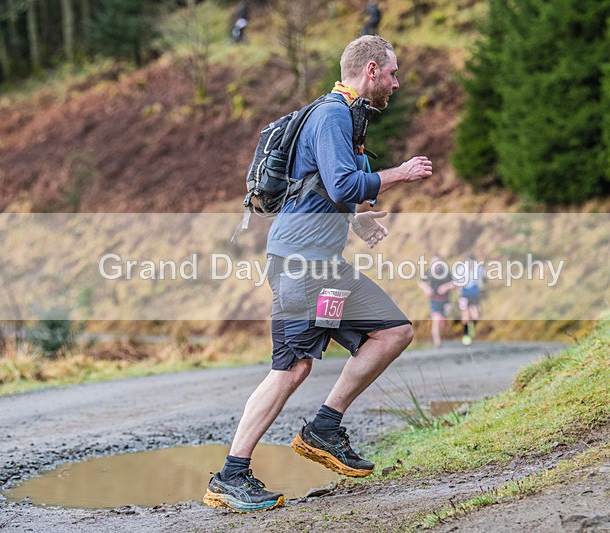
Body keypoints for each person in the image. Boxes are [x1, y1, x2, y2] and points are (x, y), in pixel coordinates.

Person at [204, 35, 433, 514]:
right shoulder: (332, 115)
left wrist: (356, 218)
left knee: (393, 331)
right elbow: (343, 181)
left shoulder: (347, 117)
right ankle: (230, 476)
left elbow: (320, 188)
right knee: (290, 367)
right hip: (300, 265)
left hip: (324, 266)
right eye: (391, 73)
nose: (396, 81)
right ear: (370, 70)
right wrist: (399, 173)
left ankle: (324, 429)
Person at [417, 255, 453, 349]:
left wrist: (446, 286)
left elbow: (455, 283)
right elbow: (420, 282)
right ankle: (437, 343)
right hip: (435, 299)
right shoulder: (429, 272)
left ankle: (439, 337)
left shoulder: (446, 272)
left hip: (445, 300)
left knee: (443, 321)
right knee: (436, 319)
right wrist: (426, 288)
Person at [452, 253, 485, 345]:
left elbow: (482, 281)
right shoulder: (461, 269)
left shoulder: (479, 269)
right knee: (465, 316)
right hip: (464, 294)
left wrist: (482, 291)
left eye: (471, 261)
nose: (469, 263)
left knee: (476, 316)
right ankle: (466, 335)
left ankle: (471, 329)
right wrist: (459, 292)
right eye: (468, 261)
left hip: (474, 294)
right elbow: (456, 282)